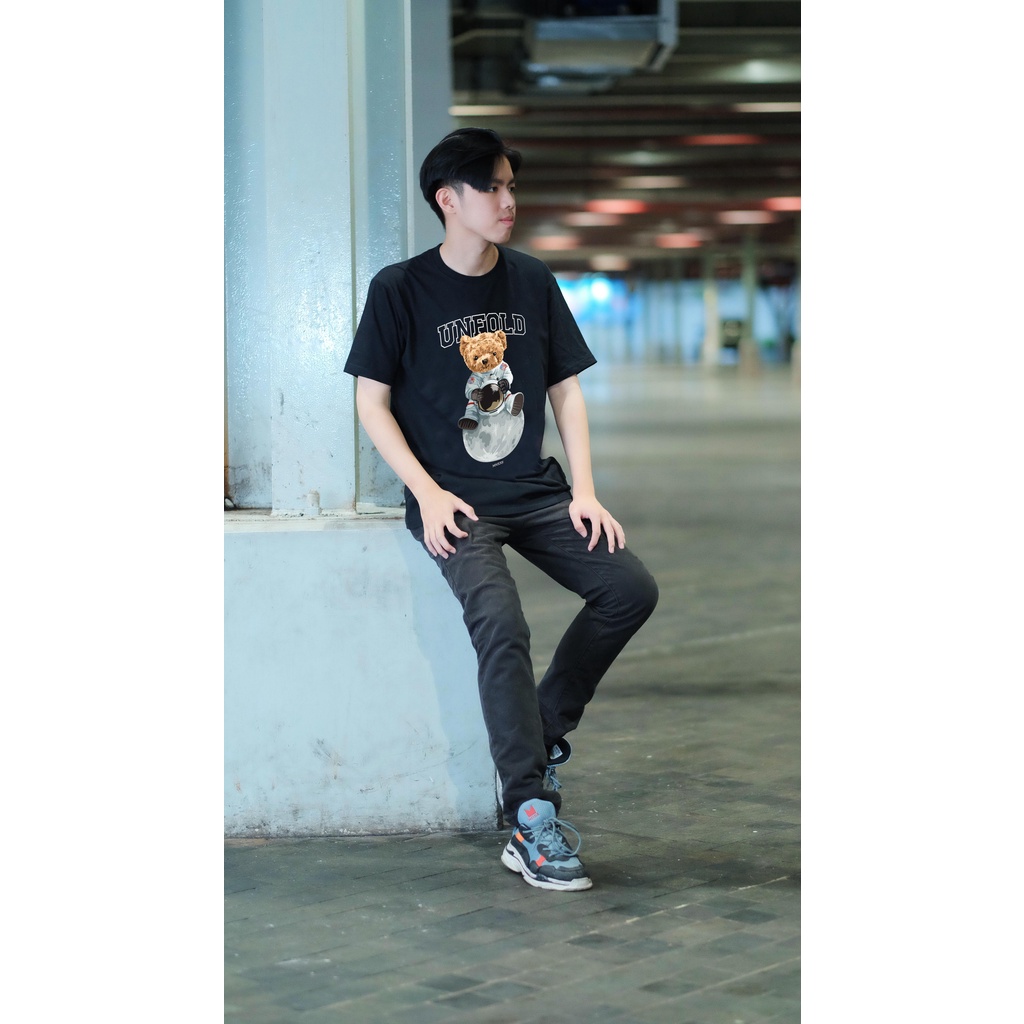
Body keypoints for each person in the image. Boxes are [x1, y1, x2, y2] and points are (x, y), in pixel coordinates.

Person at [344, 127, 658, 891]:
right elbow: (371, 402)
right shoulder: (400, 288)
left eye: (512, 185)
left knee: (628, 589)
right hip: (454, 502)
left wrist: (584, 491)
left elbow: (565, 390)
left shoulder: (531, 280)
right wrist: (425, 492)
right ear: (448, 200)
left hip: (537, 490)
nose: (508, 200)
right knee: (502, 623)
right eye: (492, 187)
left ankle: (540, 728)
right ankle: (528, 815)